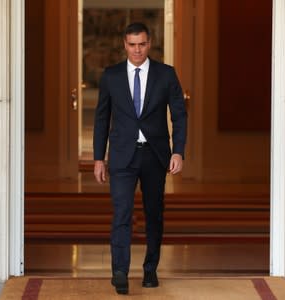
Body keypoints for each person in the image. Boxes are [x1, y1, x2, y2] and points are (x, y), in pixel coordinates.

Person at [93, 22, 187, 295]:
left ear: (150, 43)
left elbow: (180, 115)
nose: (137, 50)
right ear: (125, 44)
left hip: (155, 156)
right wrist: (99, 158)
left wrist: (178, 151)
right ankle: (120, 271)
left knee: (153, 214)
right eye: (132, 45)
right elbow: (101, 119)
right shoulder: (111, 76)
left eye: (142, 44)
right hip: (122, 156)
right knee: (121, 213)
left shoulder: (166, 75)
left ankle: (150, 269)